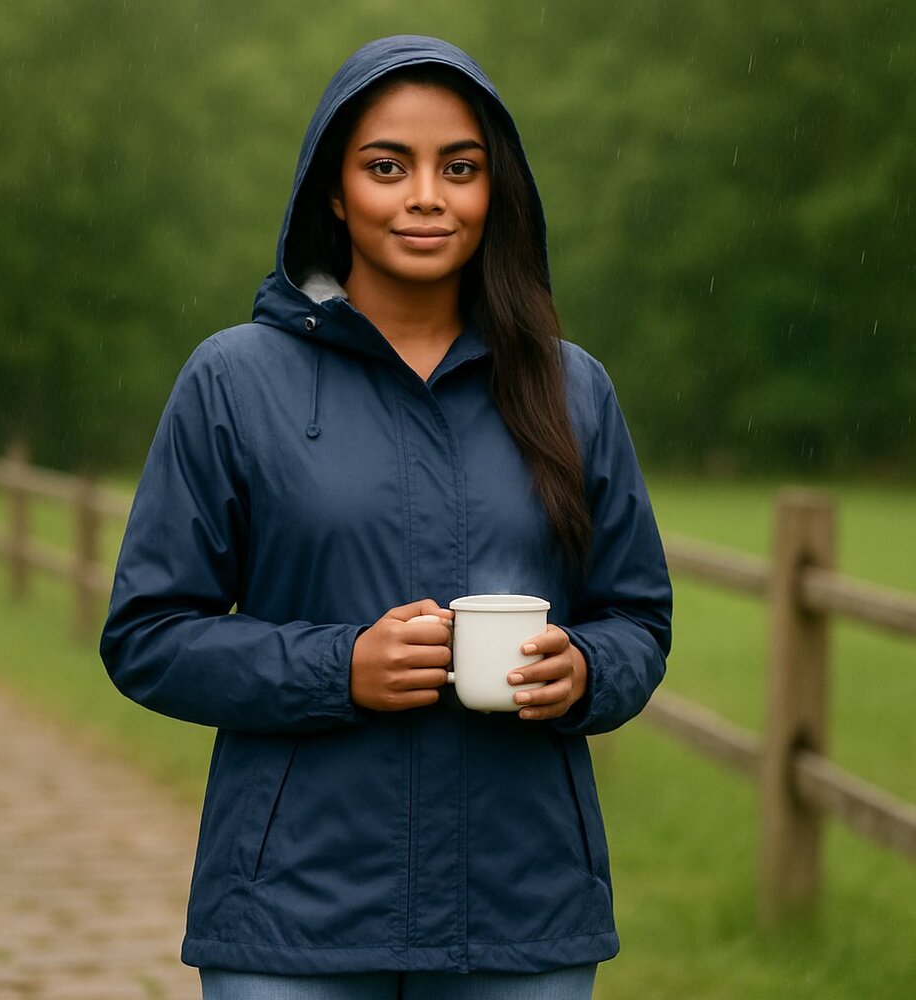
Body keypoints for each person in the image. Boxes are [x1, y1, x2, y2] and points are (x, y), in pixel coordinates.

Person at [101, 35, 672, 1000]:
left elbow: (638, 620)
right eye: (387, 167)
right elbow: (148, 635)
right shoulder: (234, 381)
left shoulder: (573, 390)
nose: (427, 197)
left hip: (522, 913)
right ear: (332, 191)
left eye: (461, 168)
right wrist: (341, 669)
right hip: (291, 917)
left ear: (496, 189)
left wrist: (583, 672)